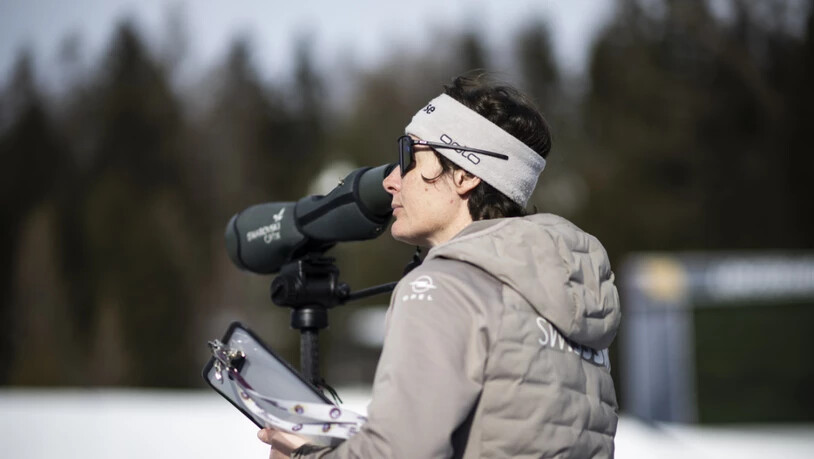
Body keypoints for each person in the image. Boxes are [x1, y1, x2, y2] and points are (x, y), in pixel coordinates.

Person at [258, 74, 621, 458]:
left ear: (465, 174)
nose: (392, 181)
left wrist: (303, 454)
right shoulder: (570, 296)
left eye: (409, 158)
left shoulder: (444, 288)